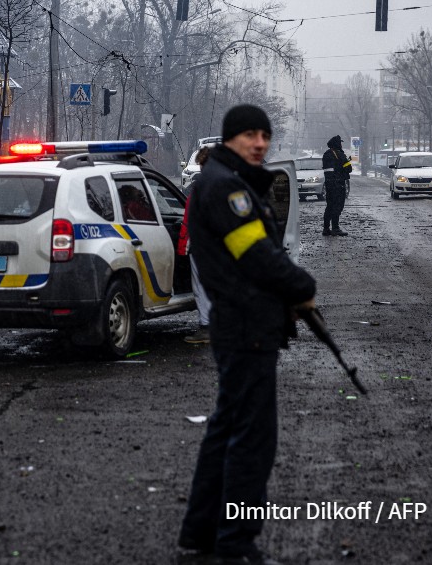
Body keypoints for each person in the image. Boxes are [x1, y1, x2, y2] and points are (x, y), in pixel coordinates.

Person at [177, 105, 317, 565]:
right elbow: (255, 255)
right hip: (246, 326)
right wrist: (302, 287)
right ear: (229, 138)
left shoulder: (223, 181)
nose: (260, 143)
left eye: (265, 135)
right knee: (251, 440)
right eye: (249, 135)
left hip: (242, 324)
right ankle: (235, 544)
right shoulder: (226, 188)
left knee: (227, 430)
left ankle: (201, 533)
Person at [179, 145, 212, 344]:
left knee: (201, 288)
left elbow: (188, 220)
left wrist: (183, 245)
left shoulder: (199, 188)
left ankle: (206, 327)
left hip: (201, 246)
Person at [321, 135, 352, 236]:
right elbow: (349, 168)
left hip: (329, 185)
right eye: (340, 143)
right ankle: (335, 228)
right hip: (338, 185)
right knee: (337, 206)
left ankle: (326, 229)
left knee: (330, 206)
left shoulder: (326, 154)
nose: (341, 145)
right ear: (337, 144)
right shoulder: (339, 154)